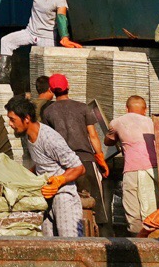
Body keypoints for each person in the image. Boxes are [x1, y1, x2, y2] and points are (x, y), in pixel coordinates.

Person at [5, 94, 86, 237]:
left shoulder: (49, 138)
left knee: (70, 246)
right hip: (45, 199)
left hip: (63, 197)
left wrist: (58, 181)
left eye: (12, 119)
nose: (10, 124)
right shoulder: (27, 137)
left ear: (26, 119)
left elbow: (79, 167)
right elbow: (42, 163)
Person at [0, 0, 80, 83]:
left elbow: (61, 18)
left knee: (46, 66)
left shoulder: (60, 0)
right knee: (6, 41)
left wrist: (64, 37)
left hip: (46, 35)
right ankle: (4, 77)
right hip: (30, 32)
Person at [41, 74, 108, 232]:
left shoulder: (48, 112)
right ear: (68, 86)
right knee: (95, 205)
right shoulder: (83, 107)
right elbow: (93, 135)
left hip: (63, 166)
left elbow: (49, 139)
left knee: (67, 203)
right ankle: (101, 238)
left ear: (51, 90)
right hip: (86, 161)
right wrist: (100, 158)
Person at [106, 95, 157, 236]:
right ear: (145, 110)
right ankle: (153, 240)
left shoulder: (117, 122)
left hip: (131, 170)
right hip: (152, 170)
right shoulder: (152, 123)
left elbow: (108, 141)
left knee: (132, 209)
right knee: (150, 208)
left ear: (127, 109)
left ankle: (137, 240)